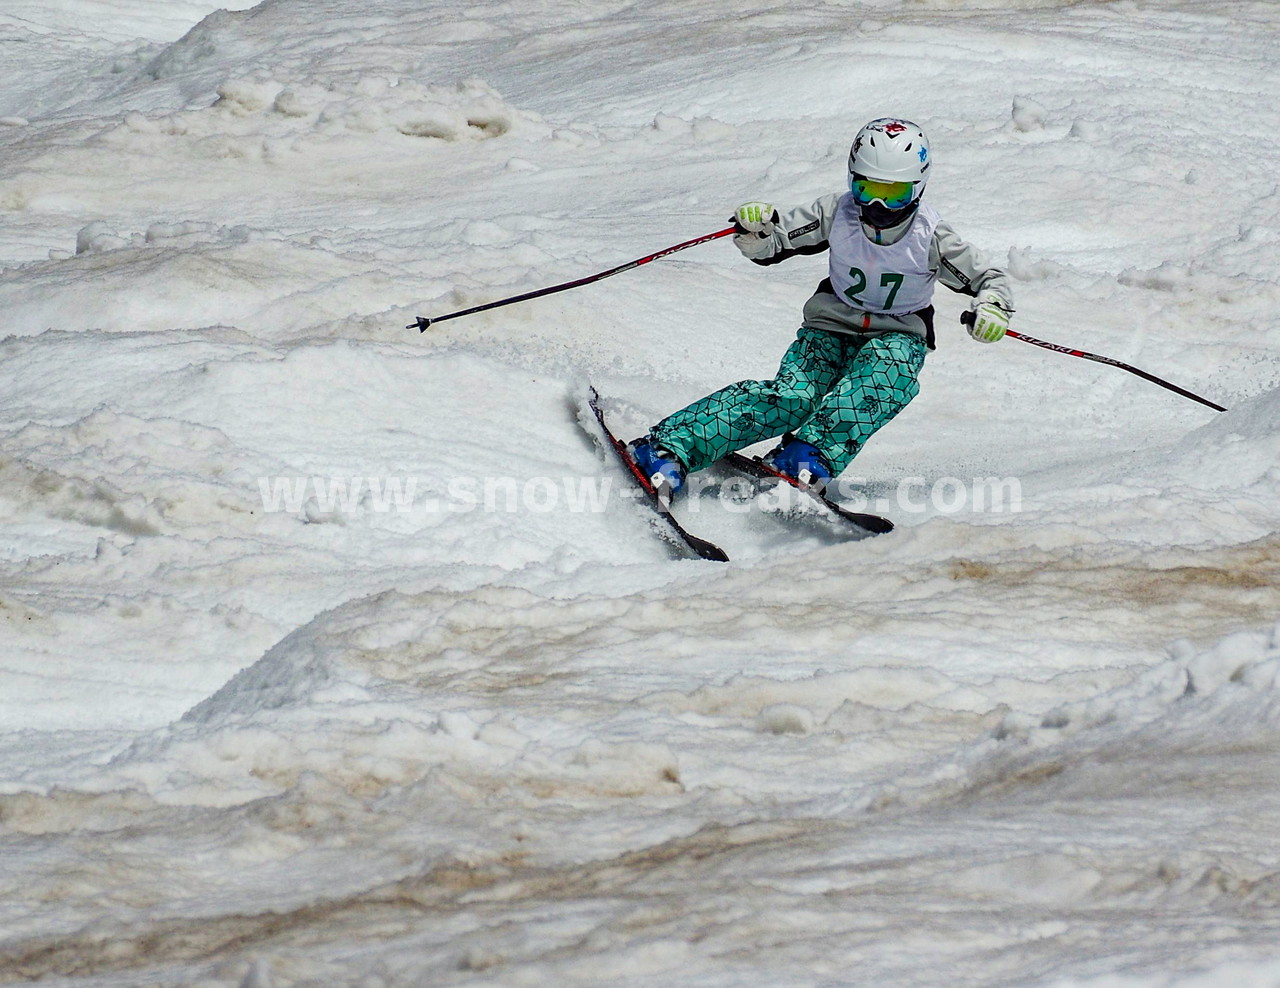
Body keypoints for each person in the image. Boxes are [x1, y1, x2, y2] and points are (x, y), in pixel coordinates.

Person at [627, 117, 1014, 502]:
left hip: (898, 333)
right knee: (794, 398)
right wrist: (757, 231)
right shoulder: (837, 212)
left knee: (883, 380)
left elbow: (987, 279)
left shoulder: (931, 236)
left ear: (918, 188)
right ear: (851, 179)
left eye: (894, 194)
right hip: (830, 325)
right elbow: (775, 242)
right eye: (866, 189)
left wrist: (993, 307)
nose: (877, 205)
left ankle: (805, 457)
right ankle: (666, 449)